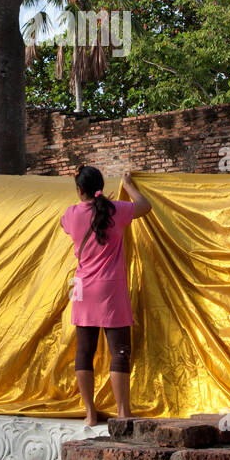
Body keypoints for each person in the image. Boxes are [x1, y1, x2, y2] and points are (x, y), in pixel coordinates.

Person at [61, 165, 152, 427]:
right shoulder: (116, 210)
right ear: (101, 186)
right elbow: (145, 206)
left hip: (82, 288)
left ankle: (90, 414)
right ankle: (123, 412)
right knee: (119, 351)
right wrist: (128, 184)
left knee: (84, 351)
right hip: (110, 288)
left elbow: (63, 224)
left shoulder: (71, 214)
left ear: (80, 190)